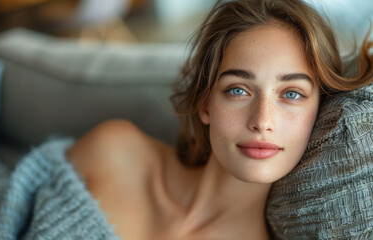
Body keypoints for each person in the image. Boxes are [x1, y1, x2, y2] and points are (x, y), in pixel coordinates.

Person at [66, 0, 373, 239]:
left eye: (291, 94)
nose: (262, 121)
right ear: (204, 102)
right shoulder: (113, 153)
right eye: (238, 90)